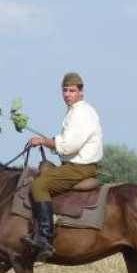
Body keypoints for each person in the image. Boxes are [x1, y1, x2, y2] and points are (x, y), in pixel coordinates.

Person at [22, 71, 104, 261]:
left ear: (81, 91)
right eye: (65, 90)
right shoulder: (76, 111)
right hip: (74, 164)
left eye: (72, 91)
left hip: (79, 167)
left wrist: (43, 141)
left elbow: (68, 146)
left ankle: (45, 238)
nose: (67, 94)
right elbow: (67, 143)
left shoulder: (81, 113)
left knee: (39, 185)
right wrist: (51, 142)